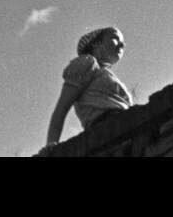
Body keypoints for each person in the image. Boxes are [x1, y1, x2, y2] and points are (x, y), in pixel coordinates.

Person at [40, 26, 135, 154]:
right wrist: (52, 144)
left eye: (122, 42)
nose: (121, 44)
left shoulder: (108, 75)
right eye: (115, 38)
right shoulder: (86, 63)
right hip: (105, 128)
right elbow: (61, 108)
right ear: (96, 43)